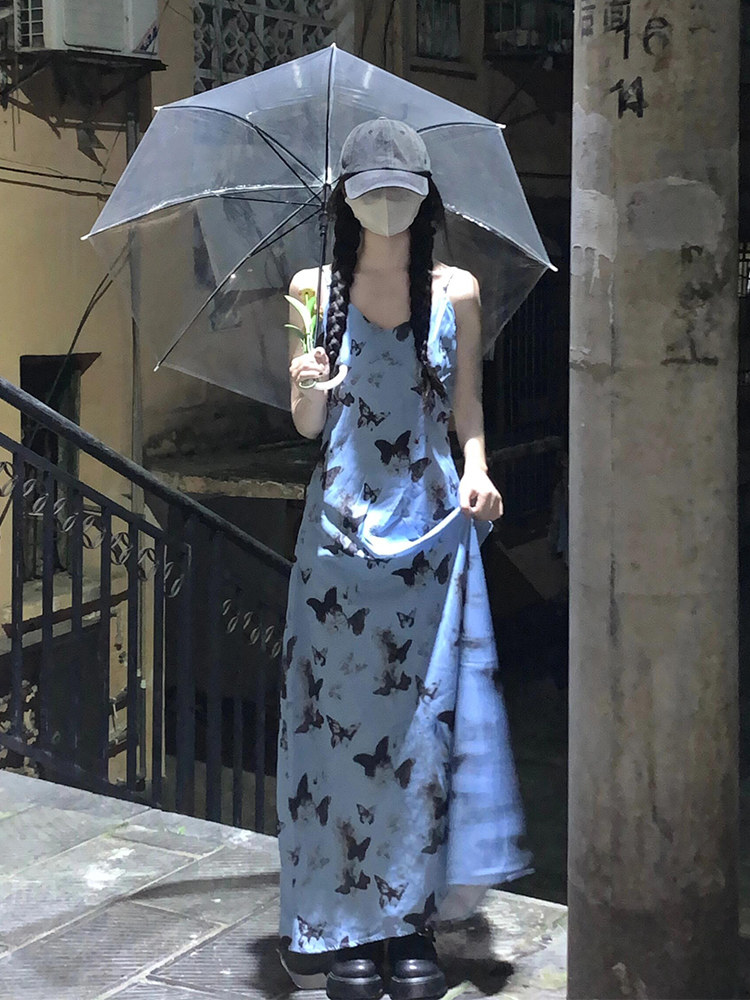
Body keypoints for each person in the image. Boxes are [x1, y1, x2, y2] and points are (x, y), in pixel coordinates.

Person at [277, 118, 532, 1000]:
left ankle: (410, 922)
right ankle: (348, 926)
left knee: (422, 741)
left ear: (426, 197)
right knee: (337, 745)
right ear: (343, 198)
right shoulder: (313, 290)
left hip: (428, 540)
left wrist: (479, 470)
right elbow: (309, 427)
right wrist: (306, 386)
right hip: (339, 549)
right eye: (370, 190)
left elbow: (467, 408)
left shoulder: (455, 290)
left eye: (402, 190)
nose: (386, 204)